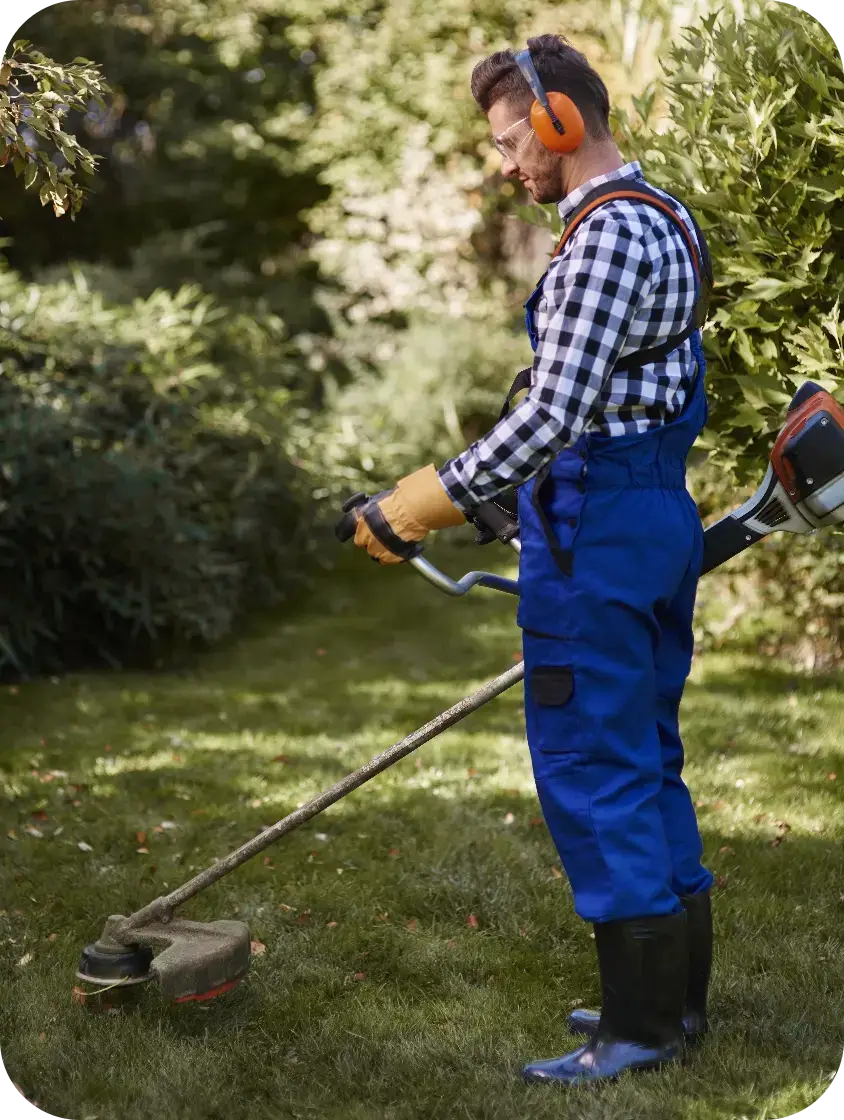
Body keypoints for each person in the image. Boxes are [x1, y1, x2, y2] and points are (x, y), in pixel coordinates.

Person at [341, 33, 714, 1087]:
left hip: (598, 528)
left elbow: (554, 411)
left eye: (512, 141)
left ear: (561, 123)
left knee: (595, 764)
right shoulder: (664, 217)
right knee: (645, 750)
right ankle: (671, 1005)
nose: (506, 163)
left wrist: (420, 502)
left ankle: (637, 1032)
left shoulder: (598, 240)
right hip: (647, 511)